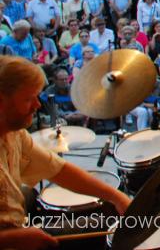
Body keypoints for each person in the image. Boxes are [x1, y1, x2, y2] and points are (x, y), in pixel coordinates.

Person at [0, 56, 130, 249]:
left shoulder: (15, 134)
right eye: (29, 99)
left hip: (18, 232)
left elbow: (58, 169)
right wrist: (14, 239)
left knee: (109, 223)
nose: (37, 106)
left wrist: (115, 196)